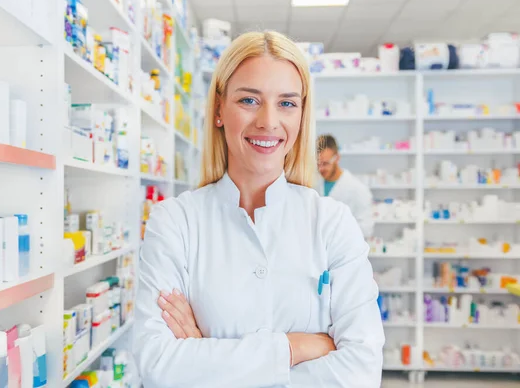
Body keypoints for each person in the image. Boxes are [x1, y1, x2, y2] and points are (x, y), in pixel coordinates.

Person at [134, 31, 384, 387]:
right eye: (249, 100)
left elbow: (361, 372)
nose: (268, 121)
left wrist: (204, 355)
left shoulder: (332, 223)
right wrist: (296, 348)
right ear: (219, 109)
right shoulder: (175, 221)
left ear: (301, 115)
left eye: (286, 103)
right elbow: (158, 365)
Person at [315, 135, 374, 238]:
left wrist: (337, 233)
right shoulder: (315, 185)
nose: (321, 169)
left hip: (344, 250)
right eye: (318, 164)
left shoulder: (358, 189)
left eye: (325, 163)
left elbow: (366, 228)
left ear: (337, 158)